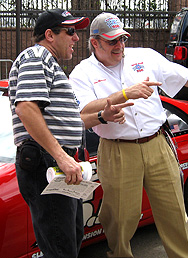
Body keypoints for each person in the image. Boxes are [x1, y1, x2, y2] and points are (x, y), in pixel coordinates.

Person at [69, 12, 188, 258]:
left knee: (175, 211)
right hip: (117, 149)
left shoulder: (144, 56)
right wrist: (125, 95)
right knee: (121, 218)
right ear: (95, 42)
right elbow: (83, 110)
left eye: (122, 39)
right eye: (112, 41)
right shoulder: (82, 73)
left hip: (158, 143)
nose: (120, 46)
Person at [8, 9, 131, 258]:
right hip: (49, 162)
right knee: (60, 246)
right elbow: (27, 108)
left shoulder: (48, 63)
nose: (77, 38)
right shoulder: (36, 56)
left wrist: (101, 117)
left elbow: (65, 121)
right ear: (50, 35)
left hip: (58, 162)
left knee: (68, 240)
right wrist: (62, 158)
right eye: (71, 31)